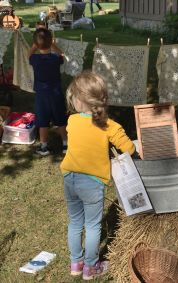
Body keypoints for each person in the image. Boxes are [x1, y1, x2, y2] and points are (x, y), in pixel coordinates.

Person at [60, 71, 135, 280]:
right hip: (92, 182)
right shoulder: (108, 125)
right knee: (93, 225)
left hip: (70, 178)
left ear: (76, 99)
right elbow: (128, 148)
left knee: (75, 222)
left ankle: (76, 263)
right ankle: (91, 267)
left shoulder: (72, 121)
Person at [29, 28, 68, 156]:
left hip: (42, 96)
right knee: (61, 119)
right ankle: (65, 144)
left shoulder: (34, 59)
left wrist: (34, 46)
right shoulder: (56, 58)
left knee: (42, 121)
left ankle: (44, 147)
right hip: (56, 94)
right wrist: (53, 45)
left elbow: (28, 55)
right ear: (51, 41)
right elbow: (62, 55)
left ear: (36, 44)